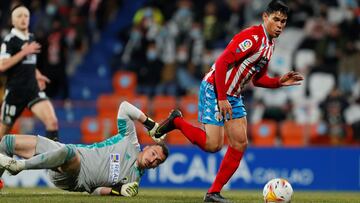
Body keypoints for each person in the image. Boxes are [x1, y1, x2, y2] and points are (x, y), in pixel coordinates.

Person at [154, 1, 304, 202]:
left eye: (283, 21)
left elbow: (258, 80)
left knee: (240, 143)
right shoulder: (252, 37)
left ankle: (213, 193)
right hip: (216, 88)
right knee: (213, 145)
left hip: (233, 94)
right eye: (276, 19)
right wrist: (222, 97)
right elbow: (223, 61)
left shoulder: (270, 45)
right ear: (265, 17)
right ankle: (176, 121)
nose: (280, 25)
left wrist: (278, 82)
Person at [0, 101, 168, 197]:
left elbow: (94, 191)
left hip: (76, 176)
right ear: (147, 147)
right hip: (66, 152)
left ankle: (20, 166)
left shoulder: (133, 181)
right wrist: (150, 124)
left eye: (157, 162)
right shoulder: (130, 141)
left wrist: (116, 192)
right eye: (154, 154)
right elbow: (124, 107)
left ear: (155, 167)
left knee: (69, 153)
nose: (153, 160)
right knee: (7, 142)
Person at [0, 5, 59, 141]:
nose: (23, 19)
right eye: (19, 16)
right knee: (2, 135)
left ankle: (53, 161)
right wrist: (24, 52)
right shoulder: (9, 40)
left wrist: (37, 74)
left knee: (52, 121)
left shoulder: (31, 37)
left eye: (26, 15)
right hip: (15, 91)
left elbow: (29, 63)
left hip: (32, 89)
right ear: (13, 21)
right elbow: (2, 65)